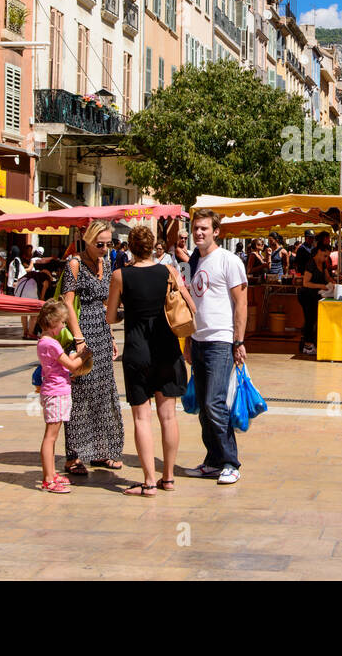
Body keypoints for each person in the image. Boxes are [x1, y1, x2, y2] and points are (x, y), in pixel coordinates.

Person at [106, 225, 194, 495]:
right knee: (168, 417)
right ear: (153, 245)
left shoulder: (120, 275)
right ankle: (168, 477)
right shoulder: (168, 271)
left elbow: (110, 317)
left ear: (130, 247)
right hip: (167, 348)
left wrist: (127, 314)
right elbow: (188, 303)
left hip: (137, 350)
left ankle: (148, 481)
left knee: (142, 418)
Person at [184, 209, 248, 485]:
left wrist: (239, 341)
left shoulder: (229, 261)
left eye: (204, 229)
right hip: (198, 340)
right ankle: (212, 461)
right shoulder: (192, 262)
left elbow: (242, 303)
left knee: (215, 402)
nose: (199, 233)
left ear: (216, 231)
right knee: (203, 403)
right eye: (196, 228)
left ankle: (230, 462)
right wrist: (188, 339)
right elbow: (192, 305)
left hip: (221, 341)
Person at [59, 220, 124, 475]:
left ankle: (100, 451)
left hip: (101, 333)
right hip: (83, 333)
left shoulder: (105, 264)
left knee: (103, 392)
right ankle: (73, 456)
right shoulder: (74, 264)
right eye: (100, 244)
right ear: (87, 240)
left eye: (109, 244)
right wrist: (78, 339)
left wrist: (111, 336)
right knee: (80, 395)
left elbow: (107, 303)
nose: (104, 249)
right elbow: (67, 304)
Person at [35, 299, 91, 494]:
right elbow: (72, 366)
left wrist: (76, 355)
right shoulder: (53, 344)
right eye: (62, 322)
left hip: (54, 390)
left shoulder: (45, 342)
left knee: (53, 435)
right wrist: (84, 356)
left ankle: (51, 474)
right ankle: (48, 479)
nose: (64, 326)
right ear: (52, 323)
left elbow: (65, 361)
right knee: (50, 437)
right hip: (56, 392)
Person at [298, 241, 332, 356]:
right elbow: (305, 283)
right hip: (307, 295)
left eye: (327, 256)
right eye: (325, 256)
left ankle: (311, 342)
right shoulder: (310, 264)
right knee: (310, 319)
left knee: (314, 319)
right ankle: (308, 346)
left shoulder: (322, 264)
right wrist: (321, 286)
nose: (326, 258)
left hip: (316, 296)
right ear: (319, 252)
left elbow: (327, 277)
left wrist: (334, 283)